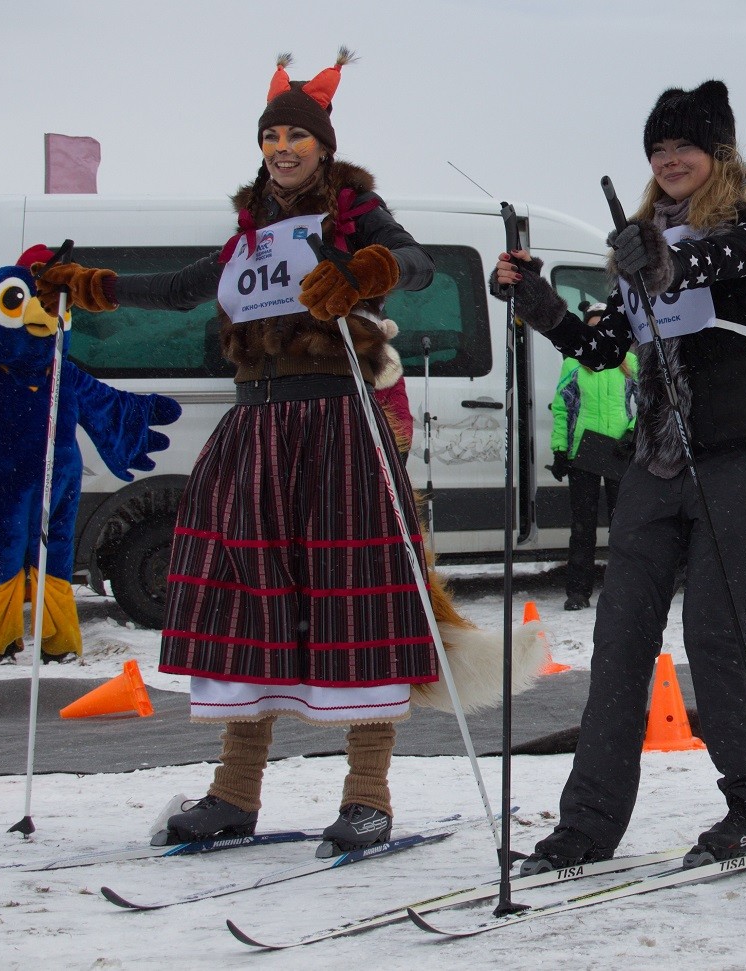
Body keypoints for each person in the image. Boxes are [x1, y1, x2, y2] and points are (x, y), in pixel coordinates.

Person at [36, 50, 447, 851]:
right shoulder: (250, 233)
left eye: (298, 134)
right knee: (247, 599)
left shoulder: (353, 210)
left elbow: (419, 264)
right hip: (257, 427)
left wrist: (362, 268)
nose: (283, 147)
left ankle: (368, 795)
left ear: (324, 147)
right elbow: (184, 285)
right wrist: (89, 284)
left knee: (349, 597)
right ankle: (233, 793)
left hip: (335, 426)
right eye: (272, 136)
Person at [492, 80, 746, 871]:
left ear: (718, 155)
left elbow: (722, 258)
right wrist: (535, 299)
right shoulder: (641, 245)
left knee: (714, 635)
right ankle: (588, 824)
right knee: (620, 638)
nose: (670, 161)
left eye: (685, 148)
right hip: (657, 459)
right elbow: (600, 347)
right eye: (659, 151)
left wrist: (661, 258)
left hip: (737, 456)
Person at [550, 302, 637, 611]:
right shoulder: (573, 363)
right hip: (583, 452)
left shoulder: (628, 361)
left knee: (622, 525)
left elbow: (645, 402)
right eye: (594, 326)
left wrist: (633, 433)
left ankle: (621, 589)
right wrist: (560, 449)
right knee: (583, 526)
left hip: (617, 451)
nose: (599, 331)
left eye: (604, 326)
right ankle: (578, 591)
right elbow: (562, 408)